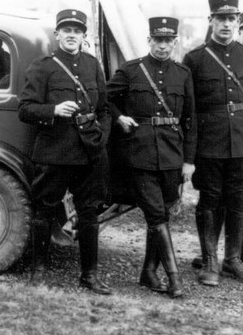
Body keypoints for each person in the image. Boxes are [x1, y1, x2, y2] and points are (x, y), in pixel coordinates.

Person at [18, 9, 112, 294]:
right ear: (57, 34)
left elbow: (104, 109)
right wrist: (53, 110)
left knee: (89, 214)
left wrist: (101, 137)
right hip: (54, 152)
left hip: (88, 153)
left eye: (77, 31)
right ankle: (38, 271)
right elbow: (24, 109)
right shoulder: (43, 66)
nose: (72, 35)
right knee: (45, 211)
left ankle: (89, 276)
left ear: (84, 36)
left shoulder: (92, 64)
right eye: (66, 30)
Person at [107, 16, 194, 298]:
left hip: (172, 153)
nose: (163, 46)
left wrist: (189, 161)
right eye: (158, 40)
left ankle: (148, 272)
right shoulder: (132, 71)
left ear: (174, 42)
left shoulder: (182, 74)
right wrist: (119, 118)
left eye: (168, 41)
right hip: (139, 153)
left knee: (163, 213)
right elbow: (104, 98)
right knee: (156, 214)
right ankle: (174, 278)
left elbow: (191, 120)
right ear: (149, 41)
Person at [182, 0, 243, 286]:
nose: (227, 24)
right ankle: (210, 262)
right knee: (210, 199)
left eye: (231, 19)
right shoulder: (195, 58)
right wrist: (190, 152)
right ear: (211, 21)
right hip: (210, 142)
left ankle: (233, 260)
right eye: (221, 19)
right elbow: (188, 109)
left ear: (237, 22)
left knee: (238, 200)